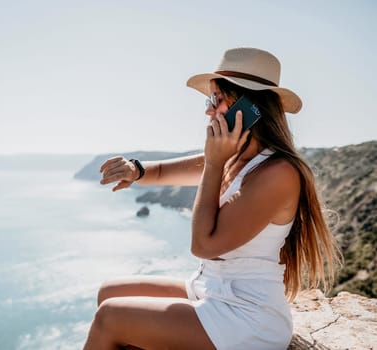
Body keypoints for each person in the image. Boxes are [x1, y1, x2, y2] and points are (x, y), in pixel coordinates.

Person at [82, 47, 342, 350]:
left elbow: (203, 246)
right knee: (109, 293)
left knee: (110, 317)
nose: (208, 110)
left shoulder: (277, 173)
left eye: (216, 100)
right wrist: (135, 169)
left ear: (247, 107)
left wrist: (215, 163)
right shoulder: (236, 158)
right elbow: (164, 171)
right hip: (210, 290)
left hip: (248, 317)